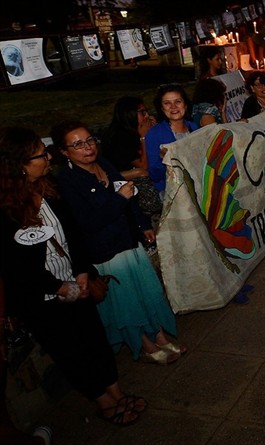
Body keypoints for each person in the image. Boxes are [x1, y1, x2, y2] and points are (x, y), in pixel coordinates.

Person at [0, 127, 146, 426]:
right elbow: (16, 266)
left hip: (76, 282)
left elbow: (74, 233)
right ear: (20, 164)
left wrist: (81, 272)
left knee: (95, 341)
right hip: (44, 299)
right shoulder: (6, 210)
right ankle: (104, 403)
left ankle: (117, 392)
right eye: (41, 154)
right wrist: (58, 287)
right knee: (72, 352)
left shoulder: (49, 187)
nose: (48, 157)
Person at [51, 121, 185, 365]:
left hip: (129, 241)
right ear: (64, 151)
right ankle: (144, 343)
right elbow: (86, 223)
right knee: (127, 301)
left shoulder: (104, 164)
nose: (87, 148)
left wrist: (143, 224)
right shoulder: (68, 181)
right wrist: (117, 200)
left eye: (90, 140)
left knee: (146, 291)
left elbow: (129, 196)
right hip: (106, 251)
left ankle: (159, 335)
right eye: (78, 144)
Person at [100, 96, 162, 222]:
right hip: (124, 181)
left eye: (147, 112)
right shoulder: (120, 136)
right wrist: (144, 137)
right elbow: (143, 166)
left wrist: (154, 132)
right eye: (142, 112)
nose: (147, 116)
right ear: (130, 114)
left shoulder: (135, 131)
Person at [145, 83, 199, 195]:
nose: (173, 107)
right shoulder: (155, 134)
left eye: (178, 102)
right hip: (173, 192)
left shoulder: (194, 127)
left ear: (185, 105)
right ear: (161, 108)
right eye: (167, 103)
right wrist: (162, 159)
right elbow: (154, 175)